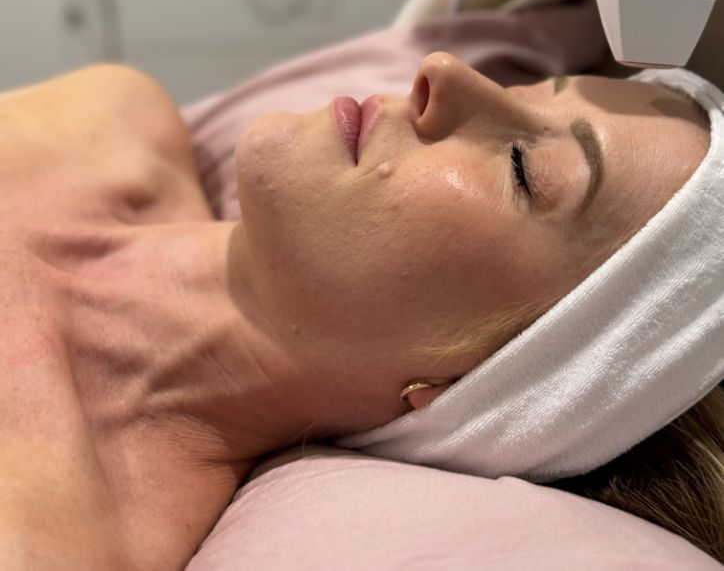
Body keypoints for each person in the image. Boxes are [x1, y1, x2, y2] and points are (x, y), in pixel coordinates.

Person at [1, 32, 721, 568]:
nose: (446, 73)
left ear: (466, 388)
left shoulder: (48, 537)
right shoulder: (112, 118)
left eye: (524, 169)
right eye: (537, 89)